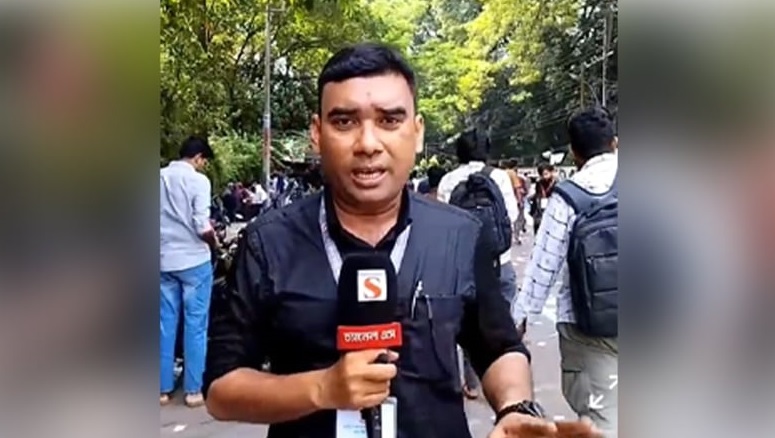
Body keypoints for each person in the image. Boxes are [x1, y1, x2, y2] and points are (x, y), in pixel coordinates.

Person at [203, 43, 599, 438]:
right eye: (344, 121)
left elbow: (499, 349)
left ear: (417, 131)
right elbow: (222, 390)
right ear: (317, 133)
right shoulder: (269, 243)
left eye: (390, 120)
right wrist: (321, 388)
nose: (368, 143)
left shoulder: (460, 235)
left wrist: (514, 408)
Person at [514, 107, 619, 436]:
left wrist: (519, 319)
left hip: (588, 326)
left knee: (602, 420)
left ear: (574, 152)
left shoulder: (570, 195)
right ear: (615, 143)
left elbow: (544, 266)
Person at [160, 135, 219, 408]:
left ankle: (162, 389)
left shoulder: (158, 177)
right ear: (198, 158)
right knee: (196, 325)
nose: (203, 166)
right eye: (203, 161)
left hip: (162, 261)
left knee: (164, 324)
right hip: (194, 261)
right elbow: (201, 225)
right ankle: (194, 390)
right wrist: (214, 242)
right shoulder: (198, 181)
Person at [529, 163, 557, 235]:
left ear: (551, 172)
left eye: (546, 174)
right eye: (542, 175)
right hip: (540, 209)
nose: (544, 177)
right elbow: (537, 194)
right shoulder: (539, 183)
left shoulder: (557, 183)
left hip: (553, 208)